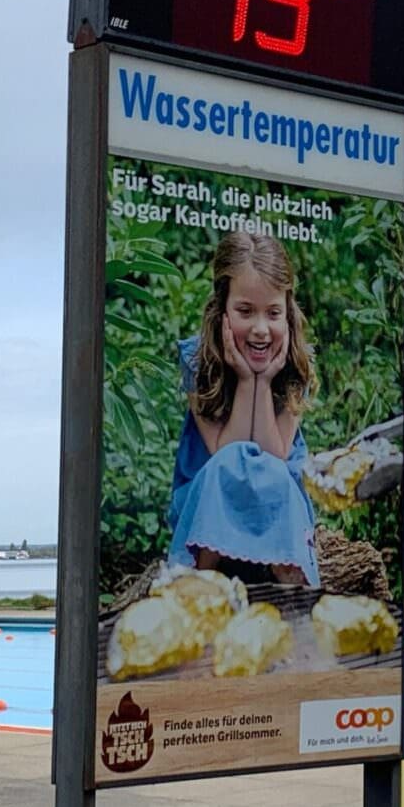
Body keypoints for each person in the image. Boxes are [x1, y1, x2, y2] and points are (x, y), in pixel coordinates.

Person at [167, 232, 320, 585]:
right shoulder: (197, 359)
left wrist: (263, 383)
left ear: (288, 314)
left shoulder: (297, 364)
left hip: (278, 500)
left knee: (276, 474)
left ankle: (290, 585)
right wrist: (246, 380)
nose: (261, 329)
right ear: (222, 308)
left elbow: (274, 455)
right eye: (245, 311)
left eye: (273, 313)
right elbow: (226, 453)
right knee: (227, 464)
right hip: (209, 499)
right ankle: (197, 580)